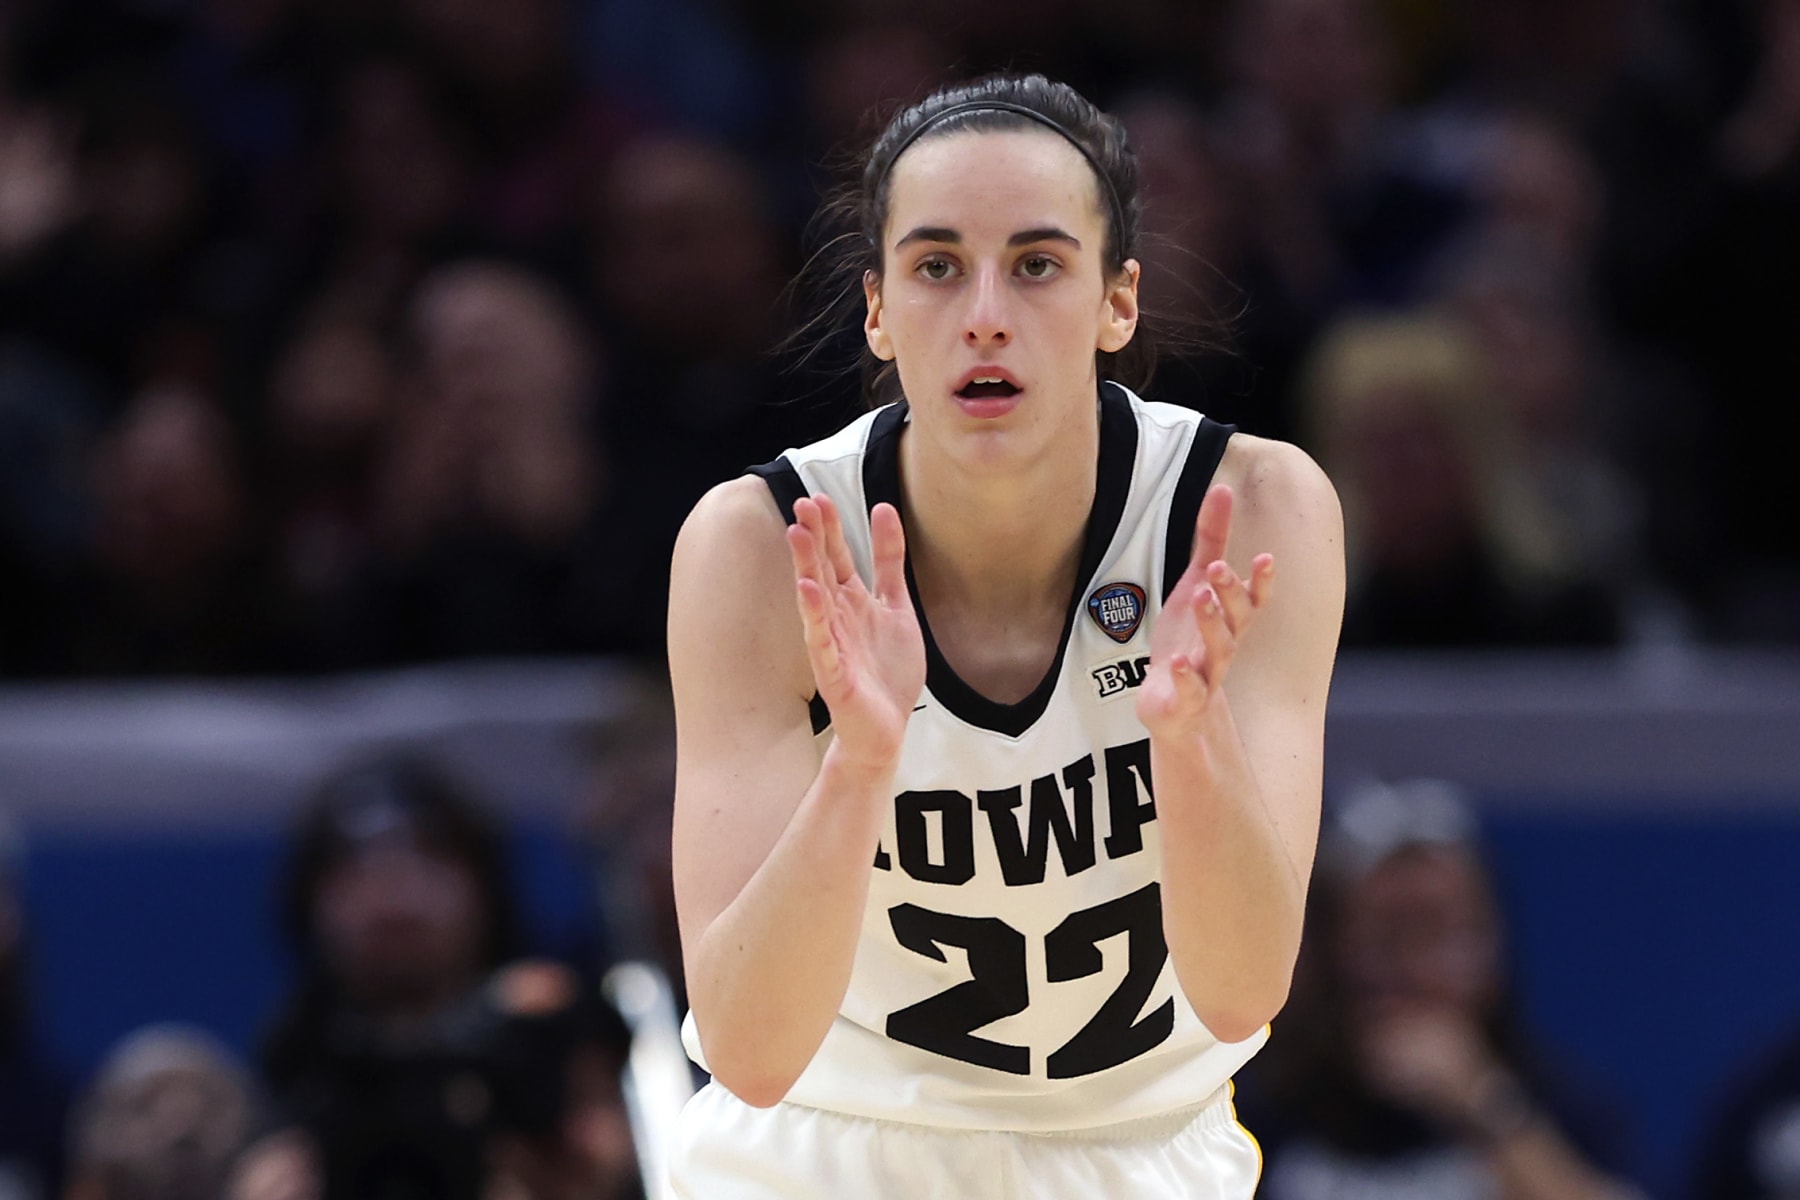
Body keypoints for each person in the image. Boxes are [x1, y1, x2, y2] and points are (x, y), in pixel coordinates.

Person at [665, 73, 1345, 1197]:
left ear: (1117, 302)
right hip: (821, 1151)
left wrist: (1188, 738)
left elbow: (1242, 988)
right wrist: (861, 770)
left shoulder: (1252, 512)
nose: (985, 310)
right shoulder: (761, 544)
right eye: (936, 266)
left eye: (1037, 264)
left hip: (1140, 1152)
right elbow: (749, 1053)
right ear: (876, 308)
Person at [1233, 778, 1646, 1200]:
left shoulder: (1556, 1103)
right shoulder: (1257, 1107)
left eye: (1442, 933)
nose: (1413, 969)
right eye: (1387, 934)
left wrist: (1482, 1103)